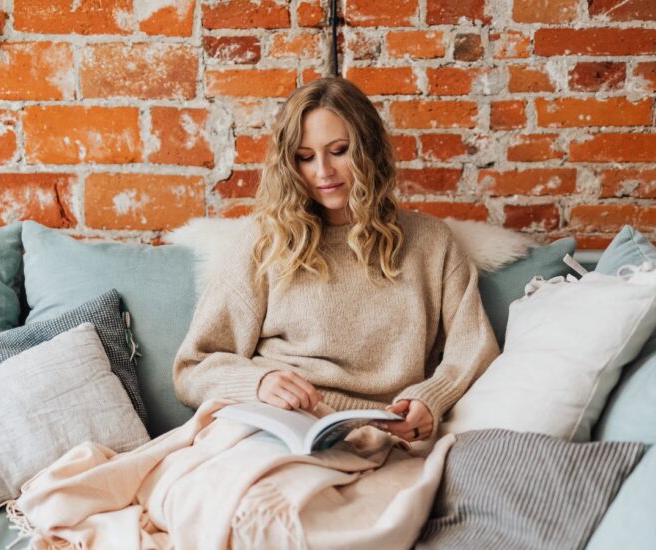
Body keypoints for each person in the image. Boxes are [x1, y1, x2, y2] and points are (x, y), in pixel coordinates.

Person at [172, 77, 499, 442]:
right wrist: (259, 382)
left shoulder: (432, 243)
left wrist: (428, 399)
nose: (323, 171)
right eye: (305, 157)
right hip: (273, 424)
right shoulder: (264, 241)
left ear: (369, 151)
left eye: (339, 150)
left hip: (379, 434)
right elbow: (193, 367)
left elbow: (475, 349)